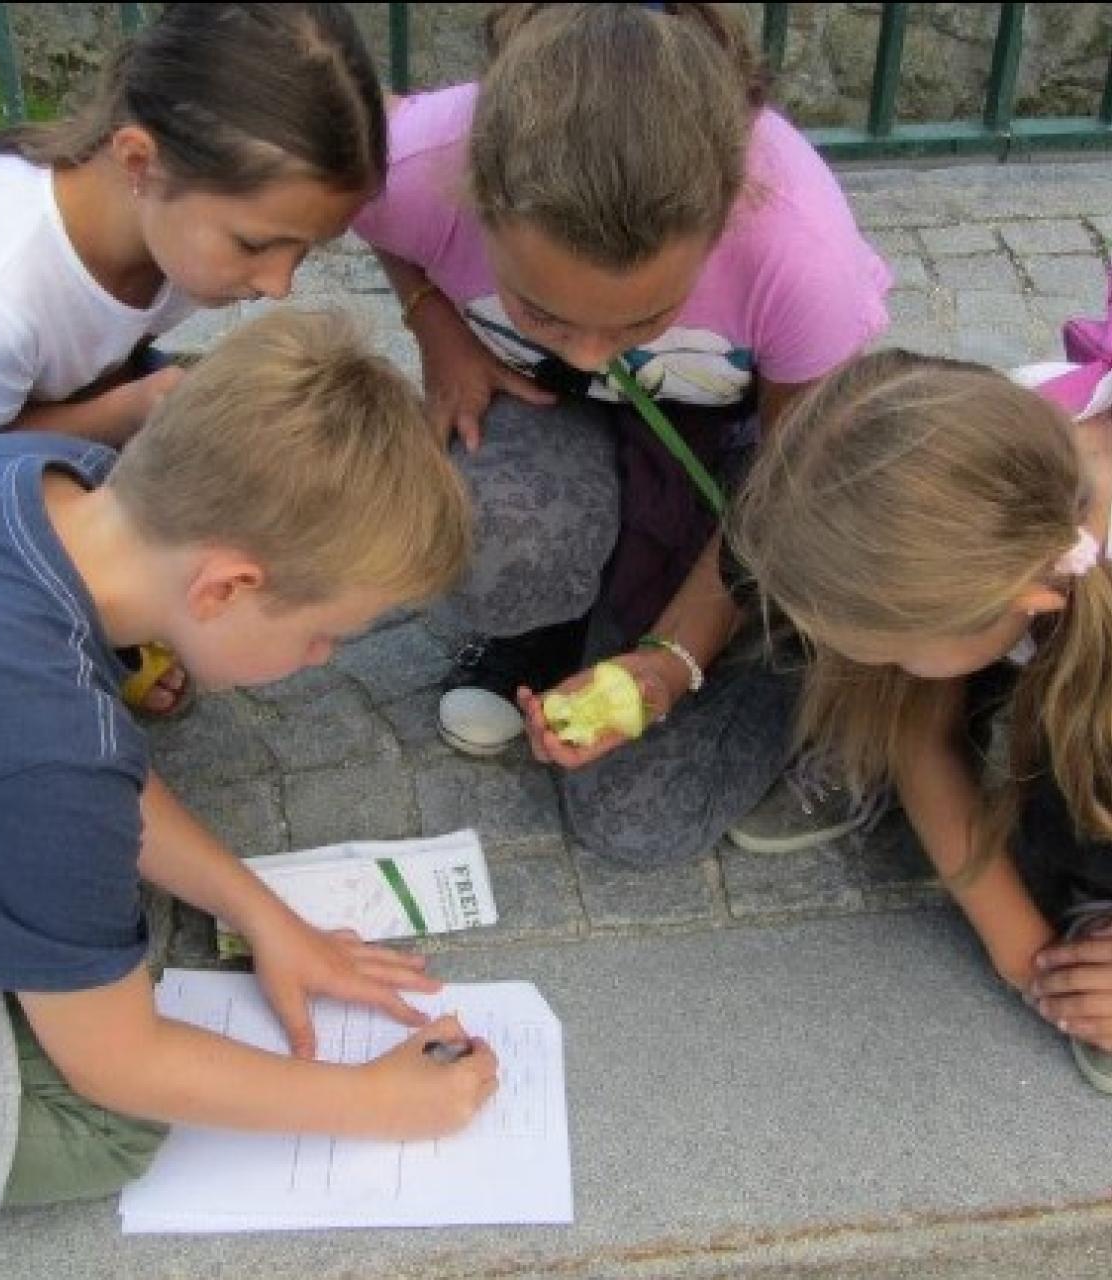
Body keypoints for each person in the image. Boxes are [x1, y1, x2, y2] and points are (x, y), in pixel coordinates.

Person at [0, 308, 496, 1218]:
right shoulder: (41, 756)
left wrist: (260, 913)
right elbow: (120, 1063)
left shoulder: (44, 482)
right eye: (323, 635)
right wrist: (374, 1101)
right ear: (226, 587)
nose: (323, 661)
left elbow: (85, 762)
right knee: (106, 1129)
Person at [352, 2, 892, 865]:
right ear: (474, 195)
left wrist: (673, 662)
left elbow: (785, 488)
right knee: (479, 552)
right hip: (545, 405)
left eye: (646, 314)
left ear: (727, 219)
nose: (597, 351)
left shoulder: (800, 254)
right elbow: (369, 215)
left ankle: (816, 683)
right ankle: (552, 627)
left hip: (733, 452)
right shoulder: (413, 165)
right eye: (543, 309)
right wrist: (437, 330)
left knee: (639, 824)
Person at [0, 1, 386, 716]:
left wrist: (135, 415)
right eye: (257, 245)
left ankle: (104, 611)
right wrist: (129, 412)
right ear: (138, 162)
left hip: (48, 391)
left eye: (303, 251)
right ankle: (61, 649)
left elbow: (113, 348)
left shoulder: (175, 238)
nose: (277, 285)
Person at [726, 290, 1112, 1094]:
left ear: (1030, 598)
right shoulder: (980, 465)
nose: (876, 671)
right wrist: (1024, 955)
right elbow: (915, 731)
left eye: (893, 654)